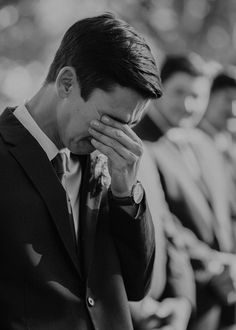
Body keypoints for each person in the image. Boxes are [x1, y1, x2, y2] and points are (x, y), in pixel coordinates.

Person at [0, 13, 163, 330]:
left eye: (128, 125)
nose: (118, 137)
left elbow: (137, 285)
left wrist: (126, 194)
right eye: (111, 119)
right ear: (66, 83)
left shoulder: (108, 163)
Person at [135, 54, 236, 330]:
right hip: (181, 296)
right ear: (159, 87)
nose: (188, 105)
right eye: (179, 92)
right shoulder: (140, 145)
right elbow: (161, 220)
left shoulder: (203, 143)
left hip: (226, 297)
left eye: (197, 96)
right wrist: (212, 262)